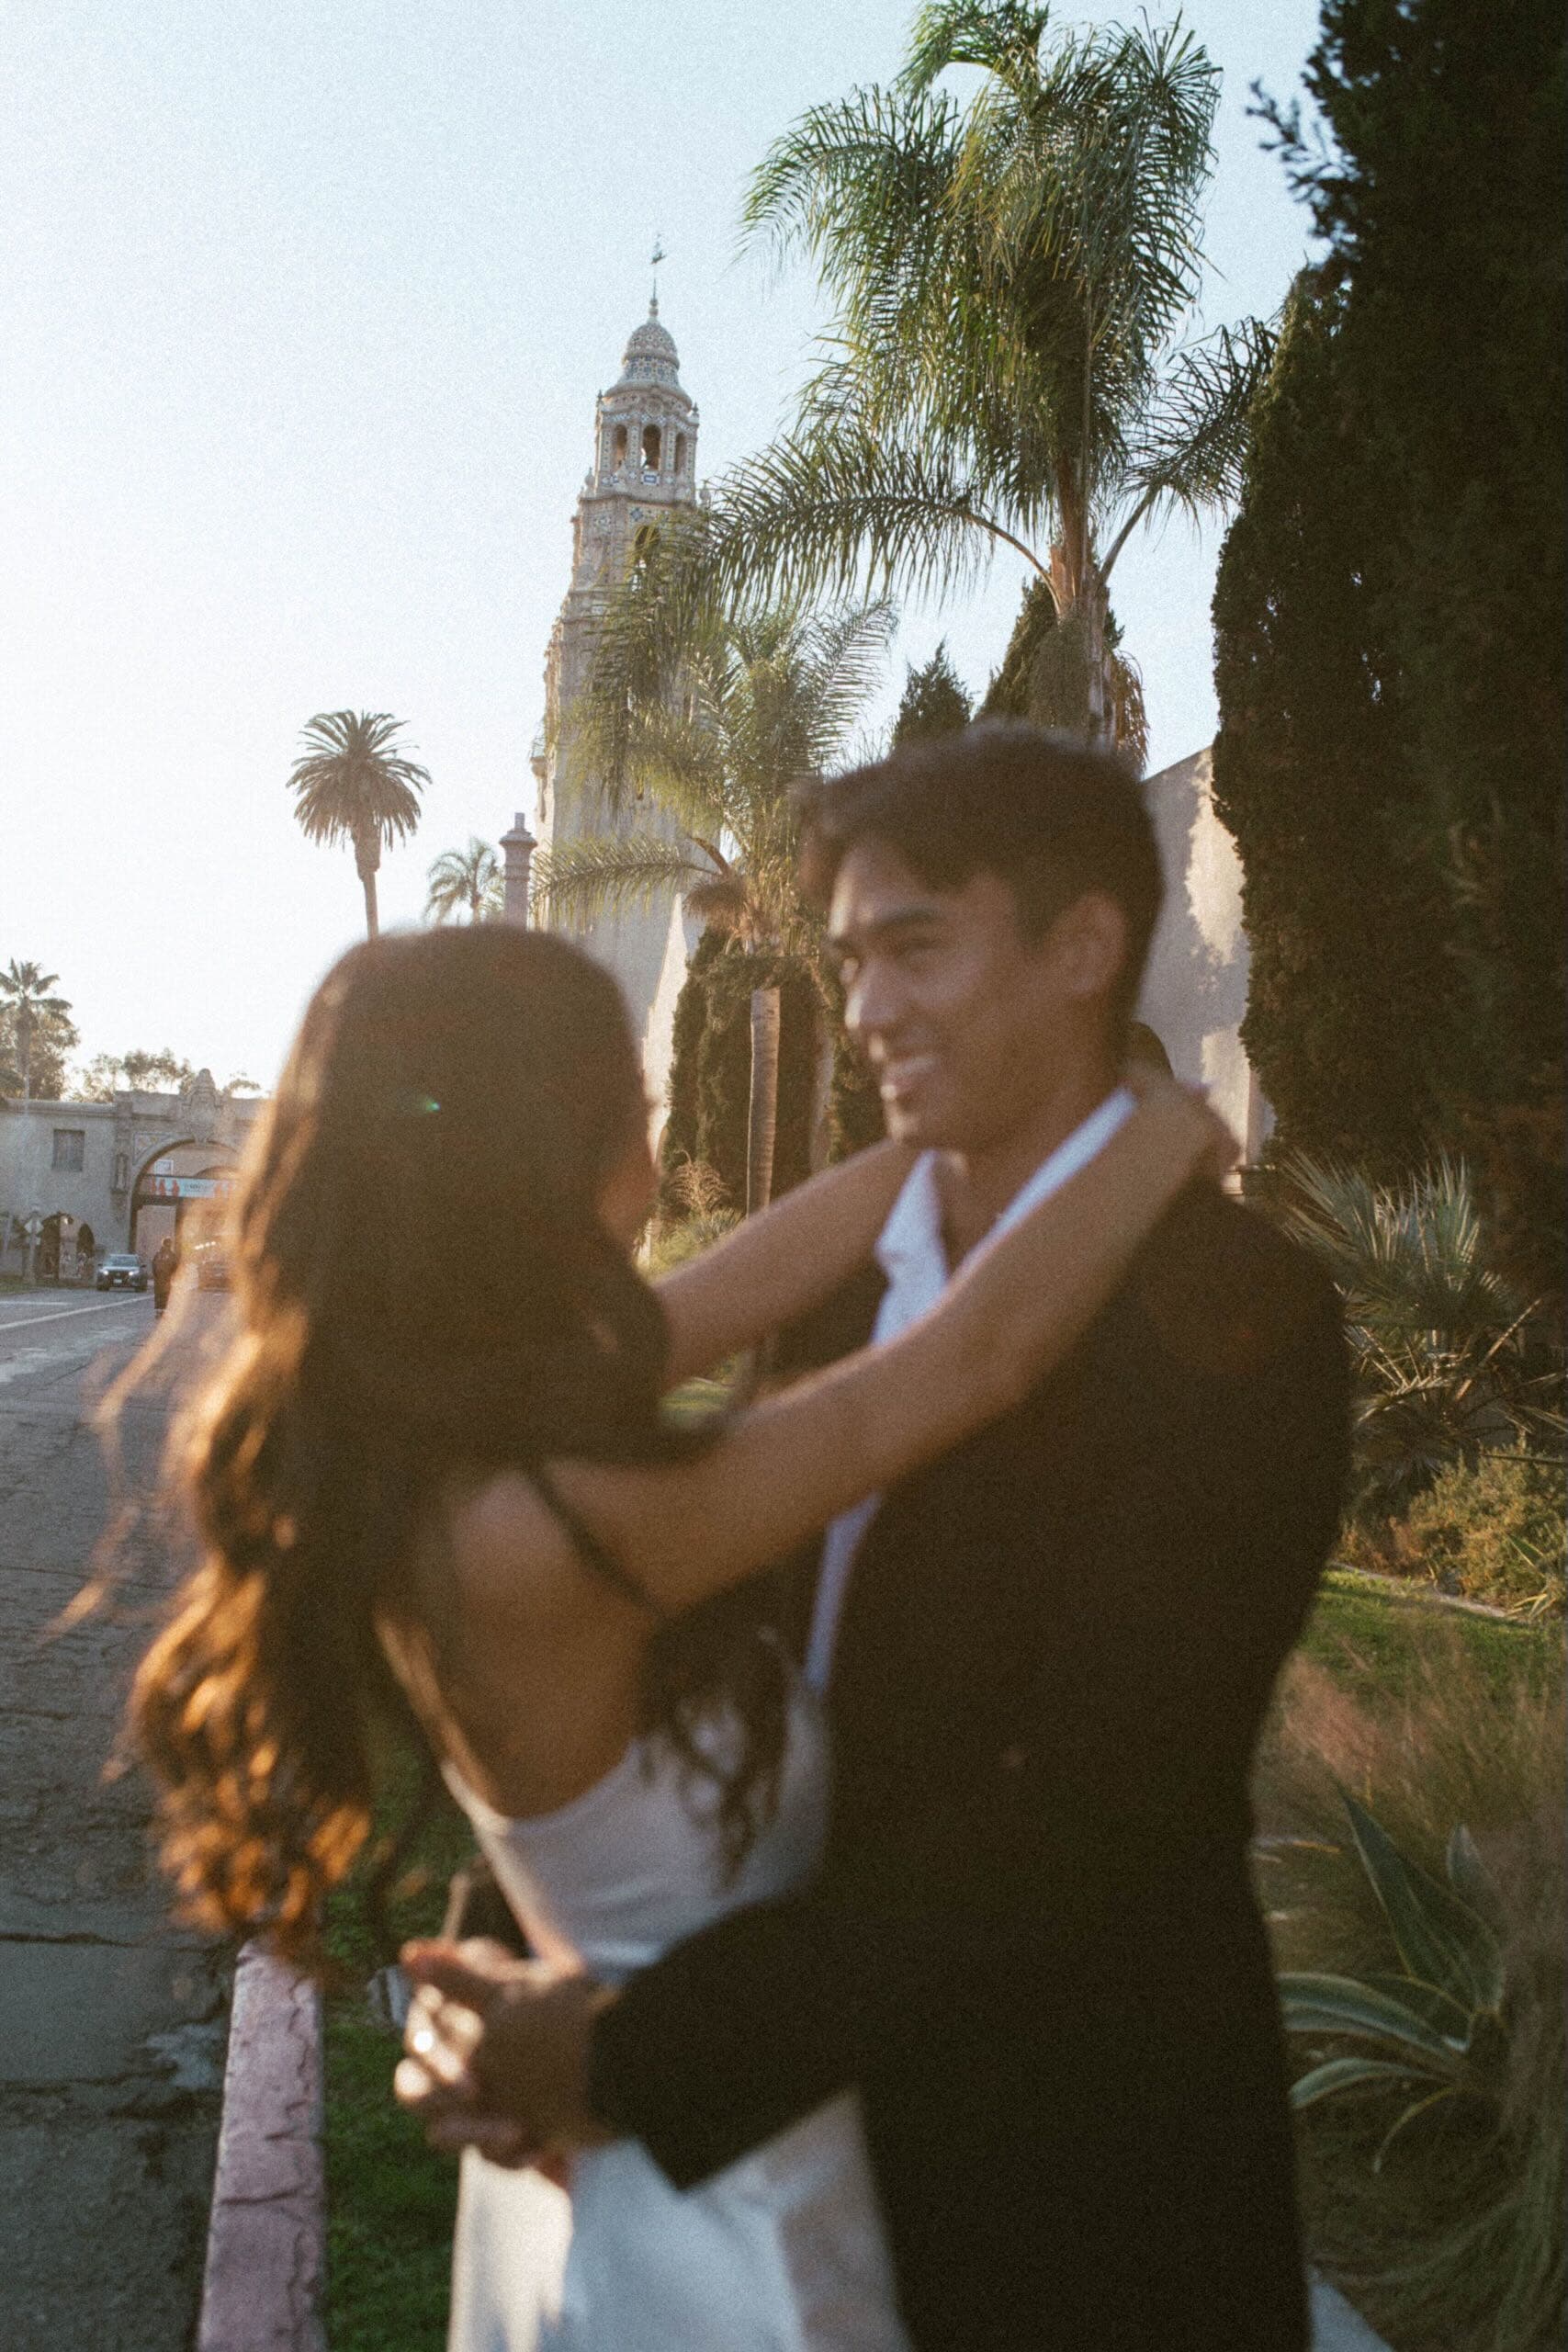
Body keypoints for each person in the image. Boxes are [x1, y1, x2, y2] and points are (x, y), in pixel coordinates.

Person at [122, 910, 1231, 2351]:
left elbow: (754, 1273)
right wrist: (1147, 1127)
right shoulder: (544, 1529)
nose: (655, 1170)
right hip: (720, 2226)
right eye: (633, 1120)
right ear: (544, 1161)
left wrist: (970, 1115)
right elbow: (971, 1361)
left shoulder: (446, 1427)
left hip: (636, 2131)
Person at [400, 724, 1350, 2351]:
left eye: (913, 948)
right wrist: (511, 1947)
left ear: (1081, 950)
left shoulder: (1227, 1314)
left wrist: (629, 2056)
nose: (866, 1008)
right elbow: (669, 1662)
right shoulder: (829, 1285)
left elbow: (1088, 1817)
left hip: (1061, 2190)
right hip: (737, 2180)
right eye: (849, 960)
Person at [152, 1234, 178, 1314]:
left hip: (158, 1278)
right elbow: (175, 1265)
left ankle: (158, 1309)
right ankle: (163, 1309)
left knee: (158, 1293)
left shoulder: (158, 1254)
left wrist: (155, 1275)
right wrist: (172, 1274)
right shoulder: (171, 1255)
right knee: (165, 1293)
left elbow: (153, 1265)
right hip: (166, 1277)